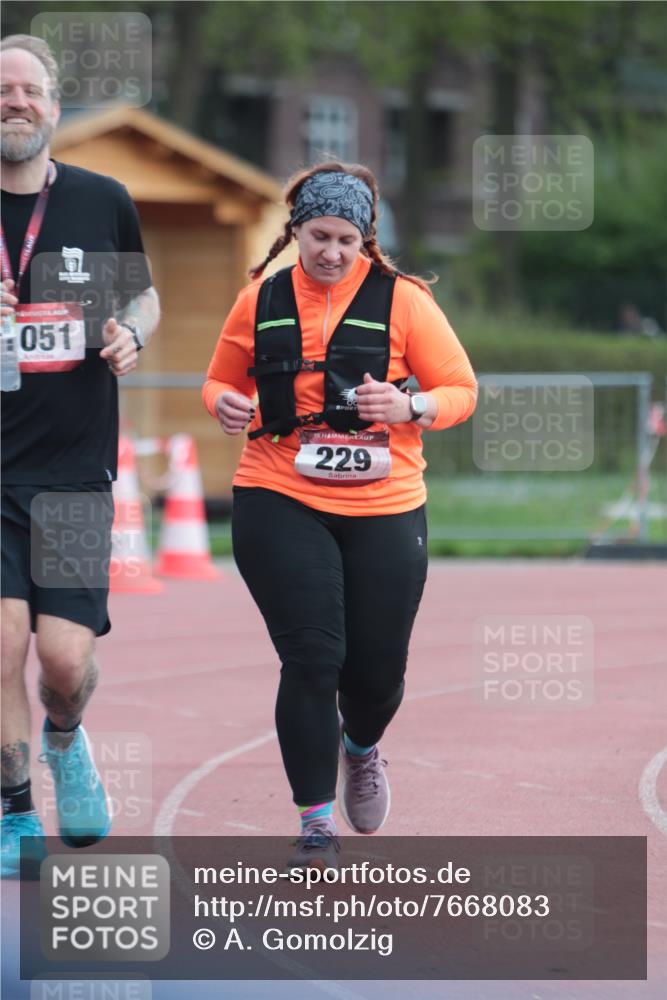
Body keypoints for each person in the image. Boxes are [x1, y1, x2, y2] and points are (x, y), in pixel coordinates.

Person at [203, 161, 476, 870]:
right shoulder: (259, 298)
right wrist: (221, 404)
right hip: (278, 491)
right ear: (295, 232)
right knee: (312, 658)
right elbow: (219, 381)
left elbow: (460, 390)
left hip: (385, 501)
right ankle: (313, 822)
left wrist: (410, 404)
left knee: (374, 676)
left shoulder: (405, 301)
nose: (329, 252)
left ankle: (360, 748)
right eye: (317, 236)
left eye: (344, 240)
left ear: (365, 242)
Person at [1, 35, 160, 877]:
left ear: (56, 107)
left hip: (71, 473)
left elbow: (144, 290)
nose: (15, 101)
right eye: (1, 89)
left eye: (29, 89)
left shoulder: (102, 199)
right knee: (0, 645)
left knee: (63, 660)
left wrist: (132, 329)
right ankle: (14, 810)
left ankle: (65, 737)